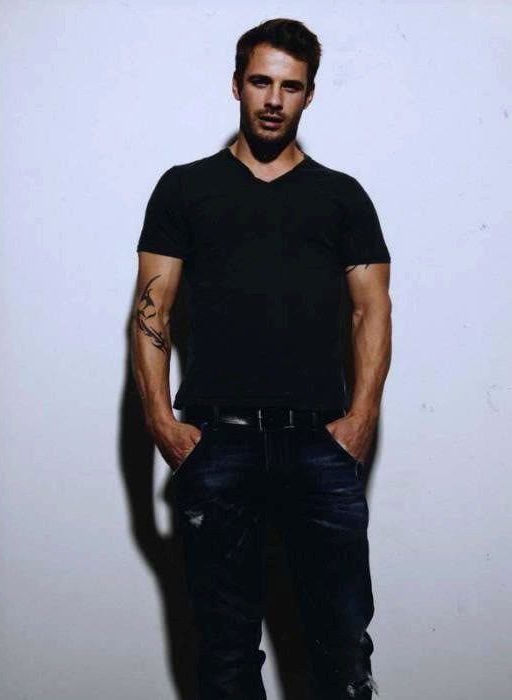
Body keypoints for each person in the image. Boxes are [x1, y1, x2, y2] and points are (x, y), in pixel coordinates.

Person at [131, 17, 392, 700]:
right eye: (260, 82)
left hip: (319, 443)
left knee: (342, 648)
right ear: (236, 85)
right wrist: (161, 422)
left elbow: (372, 311)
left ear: (309, 94)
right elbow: (152, 309)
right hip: (219, 443)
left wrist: (361, 419)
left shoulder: (342, 196)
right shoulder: (185, 188)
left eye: (290, 86)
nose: (273, 100)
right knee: (225, 653)